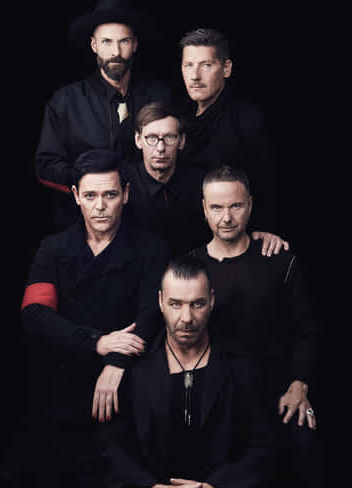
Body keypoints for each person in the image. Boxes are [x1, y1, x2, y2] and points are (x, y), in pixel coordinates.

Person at [20, 148, 171, 487]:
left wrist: (116, 362)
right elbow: (34, 315)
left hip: (126, 393)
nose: (100, 206)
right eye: (90, 196)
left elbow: (152, 314)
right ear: (76, 196)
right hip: (60, 392)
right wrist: (97, 343)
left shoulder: (152, 250)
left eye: (110, 195)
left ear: (126, 194)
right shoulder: (52, 249)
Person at [187, 166, 321, 487]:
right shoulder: (190, 268)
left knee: (302, 447)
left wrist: (299, 384)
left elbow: (305, 329)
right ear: (204, 208)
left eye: (235, 206)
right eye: (216, 207)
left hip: (275, 391)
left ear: (250, 204)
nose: (226, 217)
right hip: (216, 395)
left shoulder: (279, 259)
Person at [100, 255, 274, 488]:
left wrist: (213, 487)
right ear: (160, 302)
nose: (186, 318)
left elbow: (263, 446)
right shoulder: (134, 368)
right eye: (175, 304)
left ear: (212, 301)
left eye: (197, 304)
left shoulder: (241, 365)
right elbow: (111, 449)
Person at [35, 0, 173, 232]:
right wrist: (94, 181)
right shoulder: (66, 101)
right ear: (94, 45)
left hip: (149, 223)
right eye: (107, 42)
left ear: (135, 44)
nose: (116, 52)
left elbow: (177, 153)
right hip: (84, 226)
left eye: (124, 41)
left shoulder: (159, 96)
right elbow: (46, 165)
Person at [123, 101, 289, 257]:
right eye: (151, 138)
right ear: (138, 140)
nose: (160, 148)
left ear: (181, 141)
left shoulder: (201, 181)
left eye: (169, 138)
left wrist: (264, 233)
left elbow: (231, 213)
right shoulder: (123, 182)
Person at [178, 28, 278, 231]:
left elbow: (266, 187)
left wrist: (266, 230)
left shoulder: (247, 121)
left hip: (233, 233)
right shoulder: (178, 117)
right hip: (183, 231)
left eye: (206, 65)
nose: (195, 76)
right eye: (188, 65)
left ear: (226, 68)